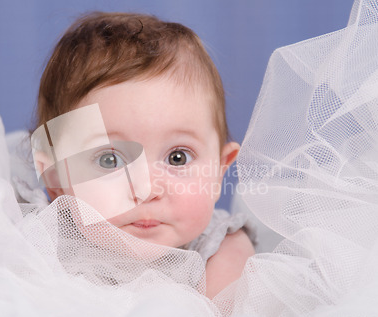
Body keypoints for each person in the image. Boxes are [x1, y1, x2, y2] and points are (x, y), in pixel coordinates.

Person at [31, 12, 255, 299]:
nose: (146, 190)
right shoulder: (41, 244)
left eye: (178, 157)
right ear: (55, 179)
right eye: (109, 160)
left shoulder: (222, 250)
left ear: (218, 172)